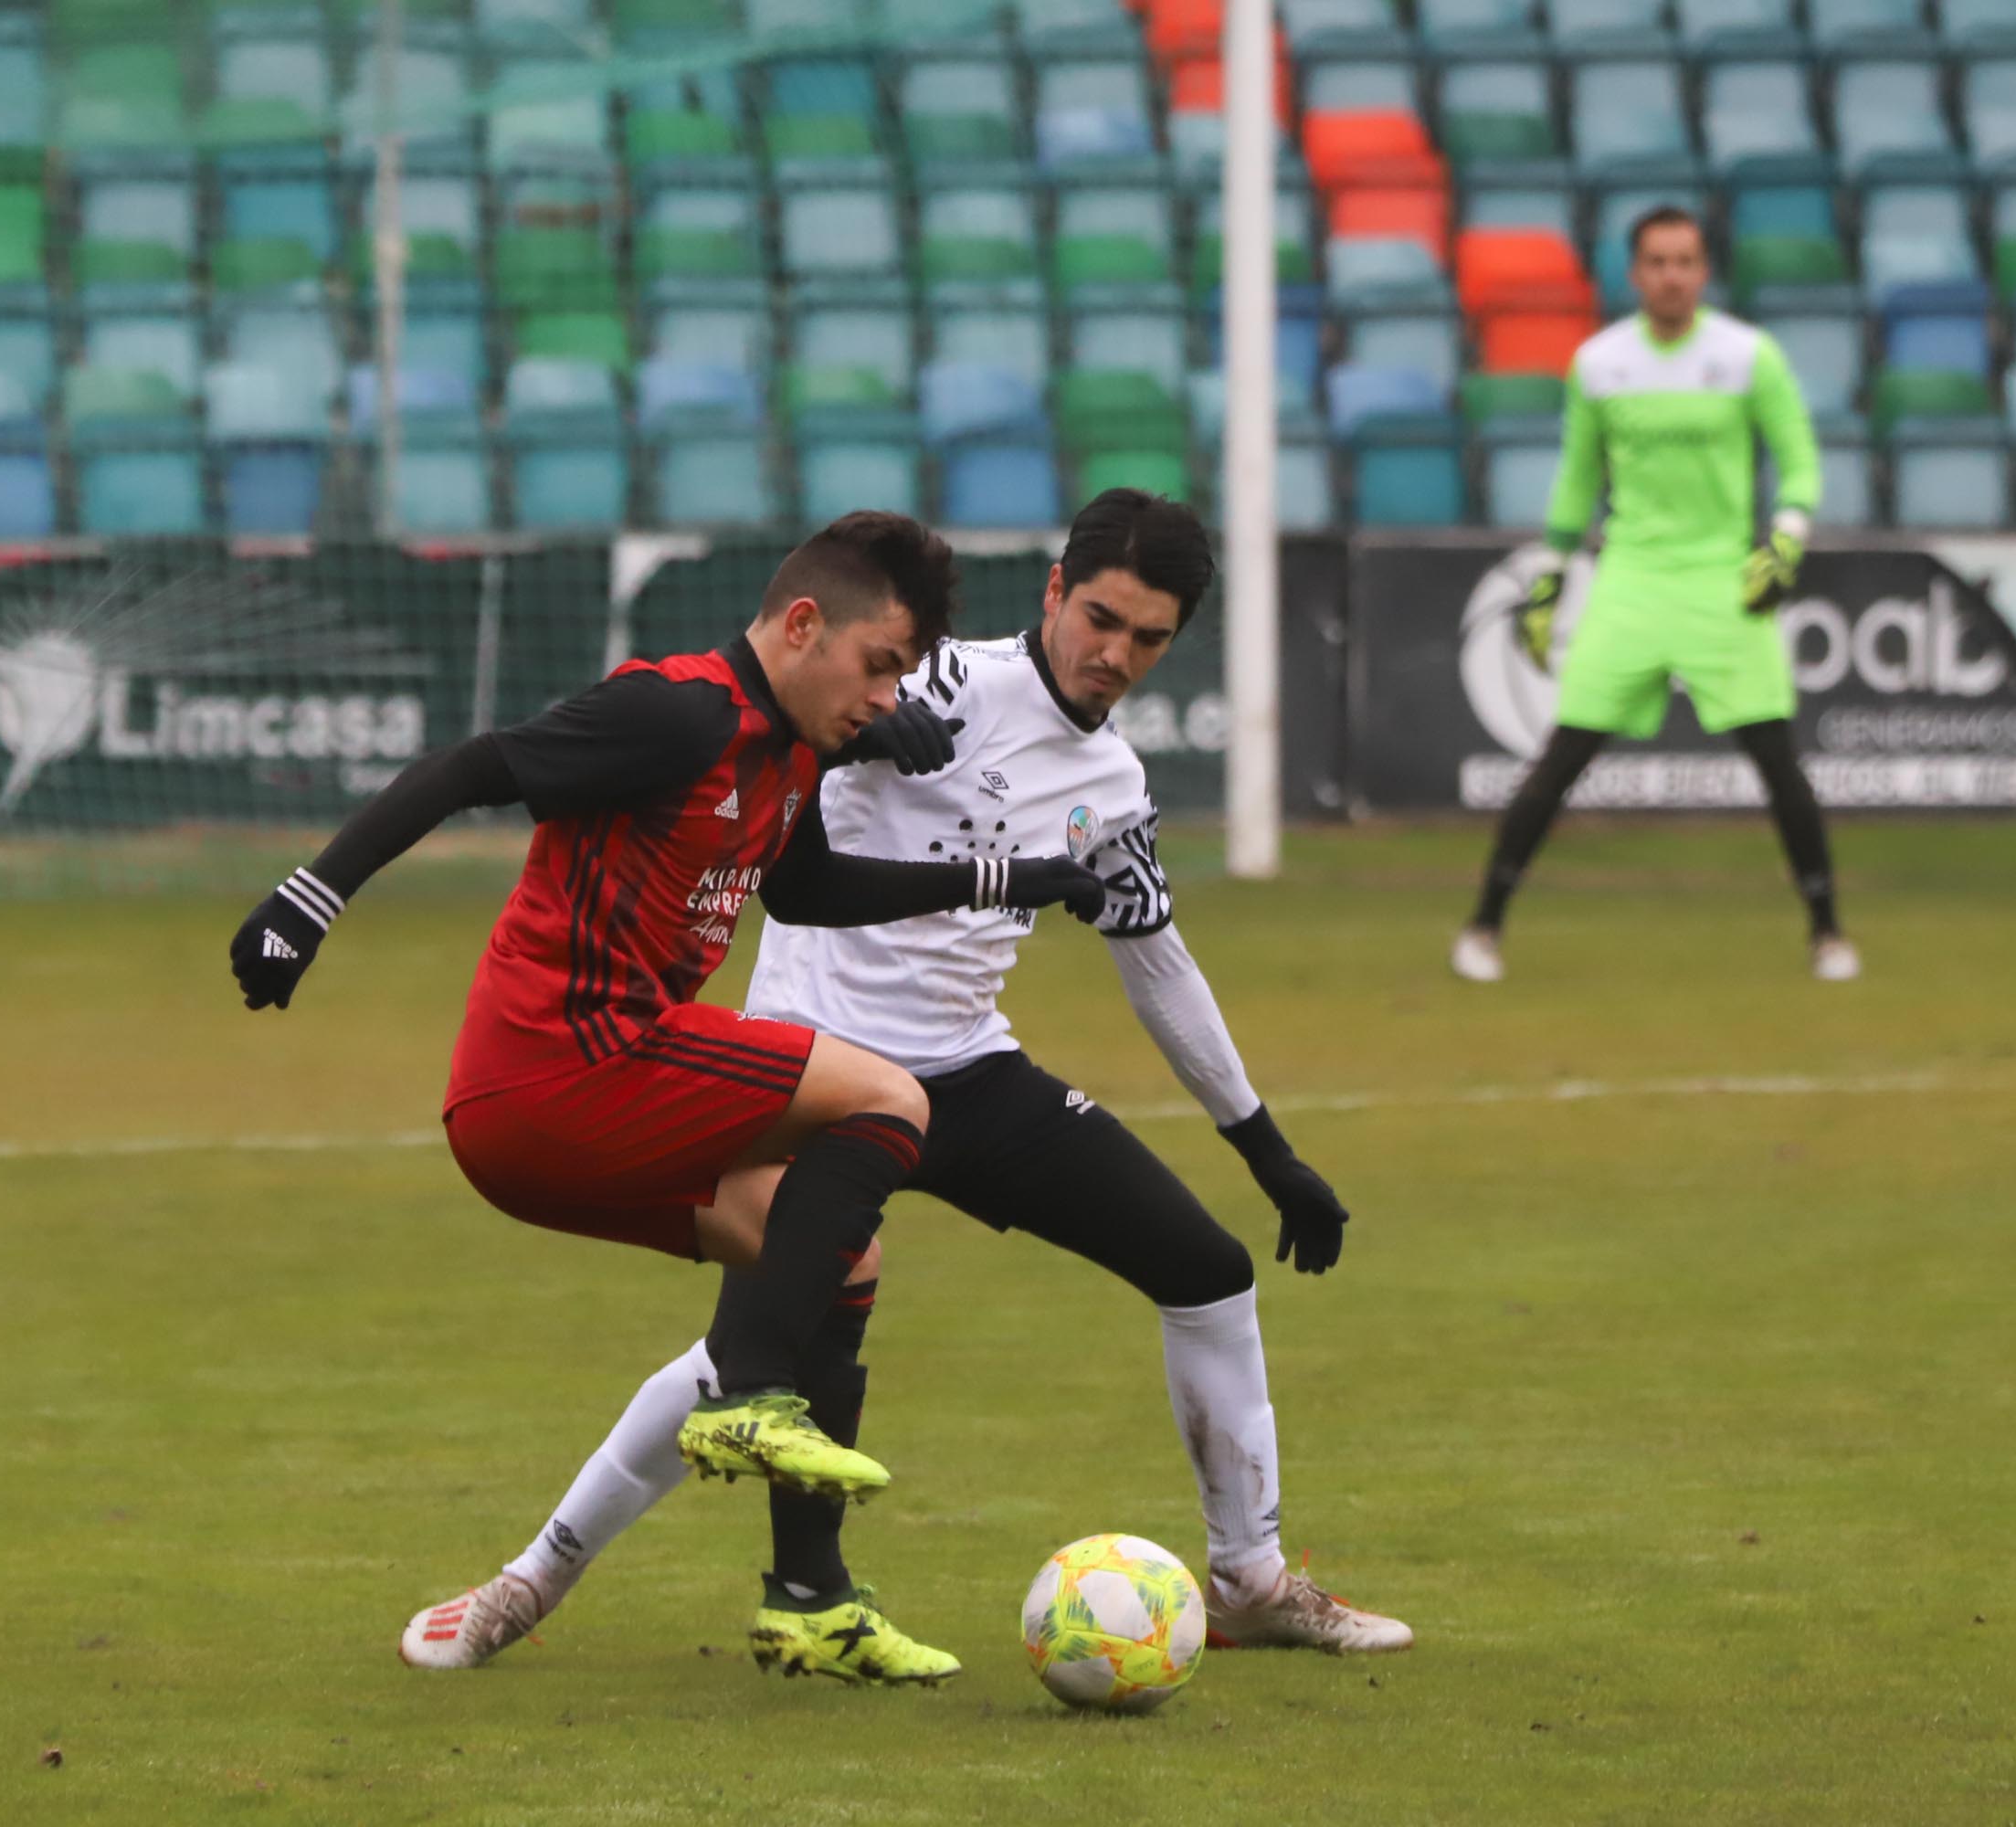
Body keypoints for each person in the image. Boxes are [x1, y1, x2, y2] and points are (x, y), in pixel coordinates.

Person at [398, 491, 1412, 1685]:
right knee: (746, 1361)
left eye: (1146, 640)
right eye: (1099, 619)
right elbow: (774, 724)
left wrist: (1264, 1148)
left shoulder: (1115, 786)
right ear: (1050, 591)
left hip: (971, 1072)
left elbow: (1157, 964)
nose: (1113, 655)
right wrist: (865, 737)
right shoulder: (930, 682)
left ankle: (1247, 1583)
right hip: (810, 1074)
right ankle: (530, 1581)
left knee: (1208, 1273)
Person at [227, 512, 1110, 1675]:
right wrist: (309, 897)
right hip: (555, 1063)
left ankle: (811, 1598)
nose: (888, 695)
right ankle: (747, 1391)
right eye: (881, 663)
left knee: (840, 1254)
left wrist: (1008, 871)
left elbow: (809, 891)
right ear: (804, 625)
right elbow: (468, 767)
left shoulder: (788, 753)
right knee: (889, 1098)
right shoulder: (677, 708)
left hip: (562, 1113)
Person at [1451, 205, 1860, 987]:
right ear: (1635, 274)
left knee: (1777, 761)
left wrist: (1788, 538)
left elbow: (1799, 459)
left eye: (1686, 261)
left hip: (1723, 584)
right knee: (1563, 754)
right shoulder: (1601, 364)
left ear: (1704, 272)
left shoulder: (1747, 357)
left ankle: (1828, 933)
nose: (1673, 275)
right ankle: (1484, 926)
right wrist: (1551, 577)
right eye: (1658, 262)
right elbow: (1578, 481)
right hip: (1631, 580)